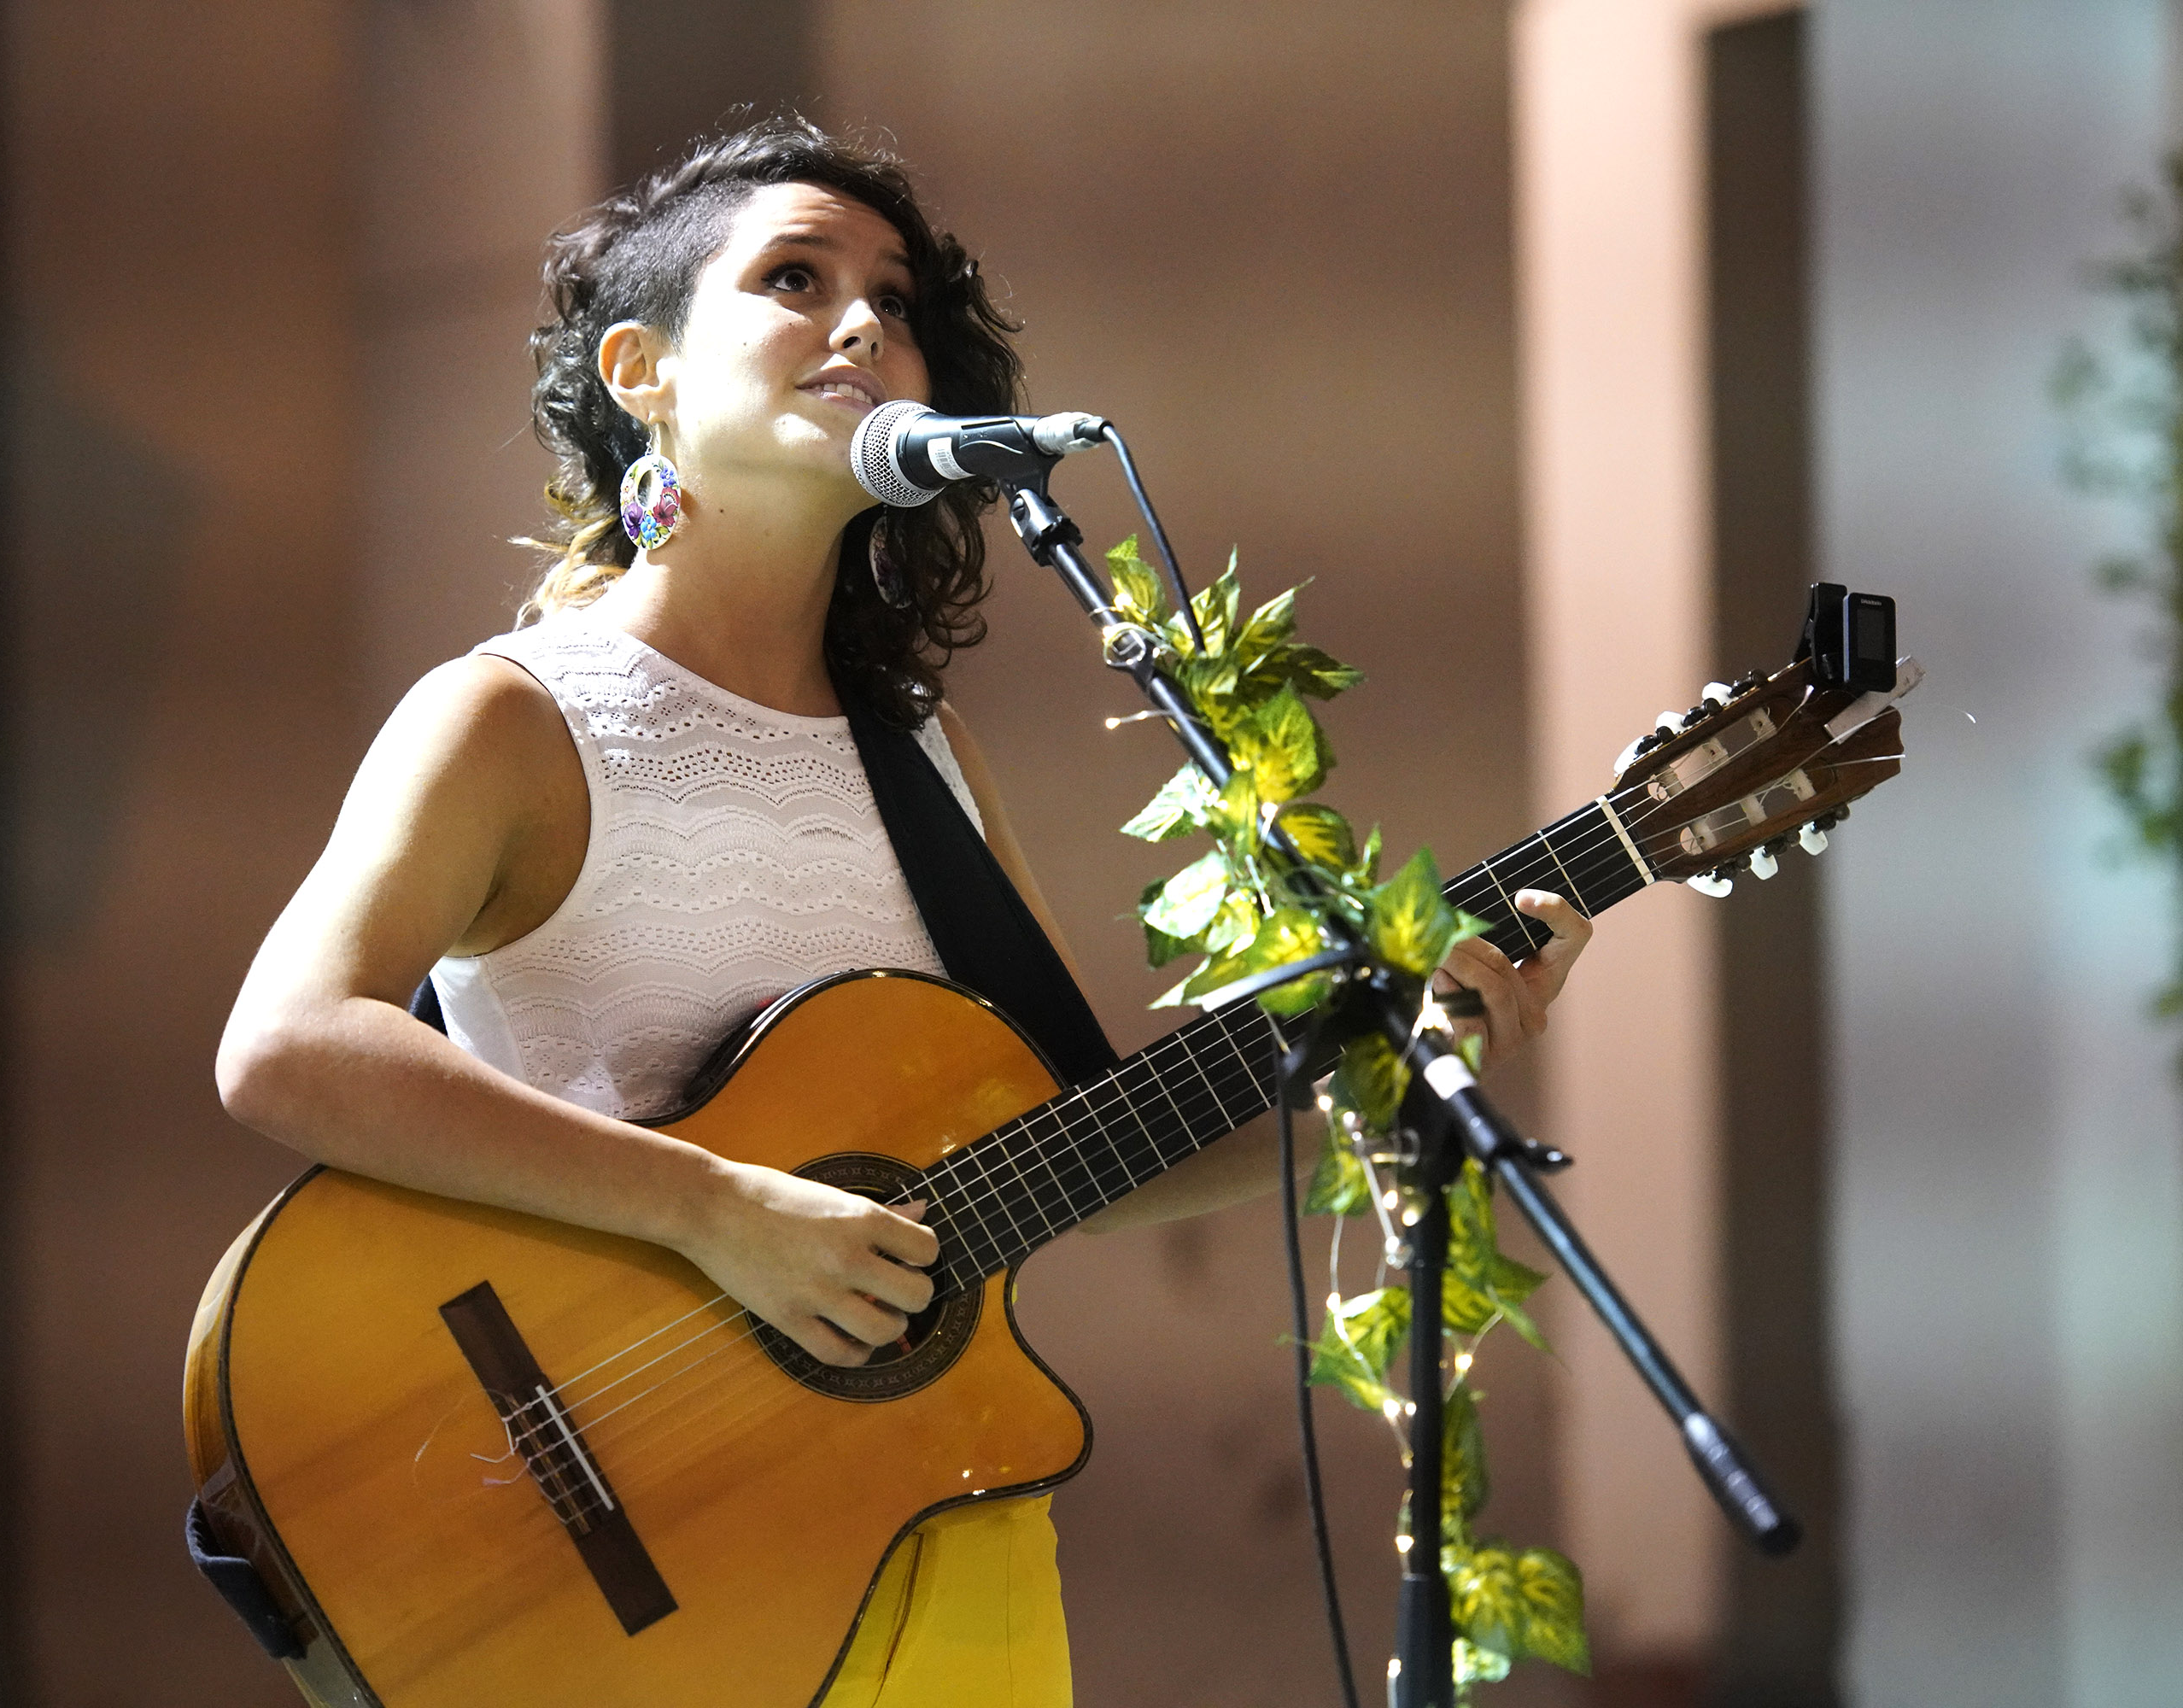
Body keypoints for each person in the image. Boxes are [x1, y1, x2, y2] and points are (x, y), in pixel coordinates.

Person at [215, 114, 1589, 1708]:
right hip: (632, 1566)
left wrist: (1384, 1054)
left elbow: (1064, 1151)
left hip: (940, 1538)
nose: (866, 320)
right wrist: (713, 1211)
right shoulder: (517, 715)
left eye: (899, 297)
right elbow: (289, 1046)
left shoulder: (924, 752)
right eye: (794, 279)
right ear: (640, 375)